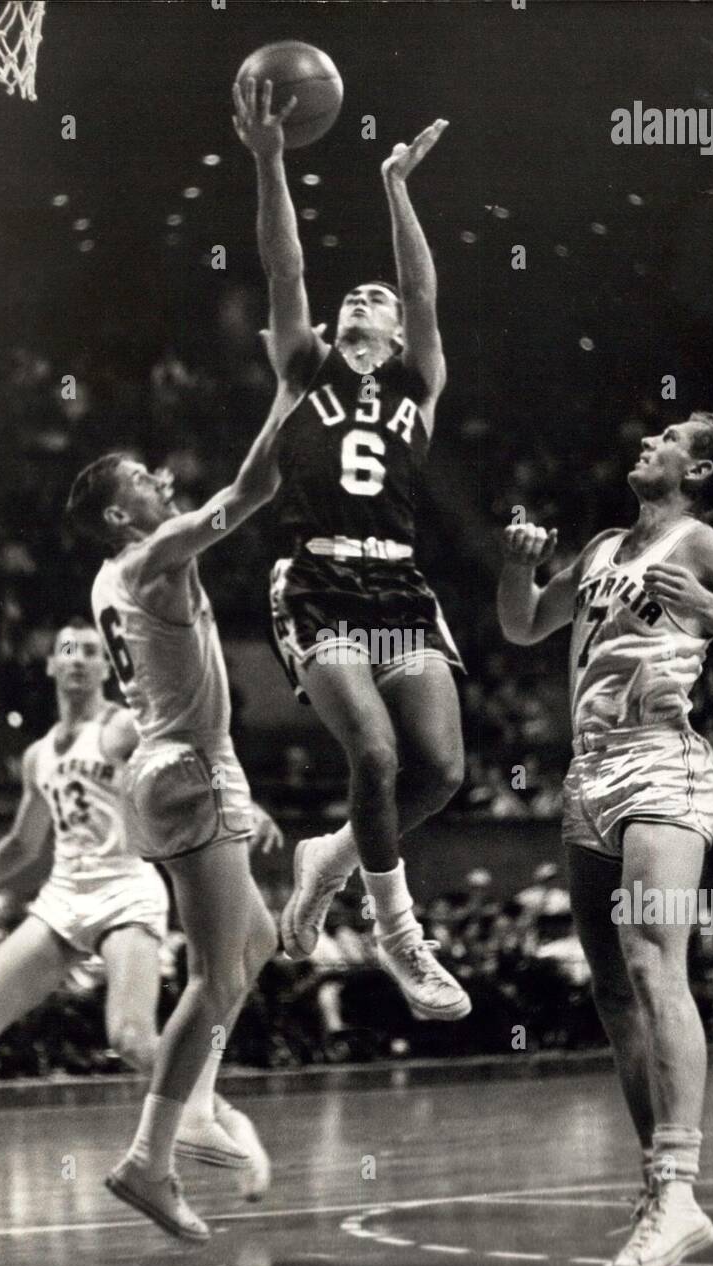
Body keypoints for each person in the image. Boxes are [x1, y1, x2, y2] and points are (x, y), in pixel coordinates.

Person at [497, 413, 713, 1266]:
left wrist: (708, 608)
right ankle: (658, 1190)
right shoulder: (602, 546)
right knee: (609, 987)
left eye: (670, 435)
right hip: (588, 776)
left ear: (697, 467)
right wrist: (517, 564)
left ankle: (678, 1188)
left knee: (649, 961)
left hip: (662, 771)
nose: (648, 437)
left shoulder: (703, 544)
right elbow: (523, 626)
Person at [0, 620, 277, 1217]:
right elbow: (22, 847)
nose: (77, 661)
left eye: (91, 653)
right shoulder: (37, 755)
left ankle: (221, 1117)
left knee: (128, 1037)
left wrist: (244, 804)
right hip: (63, 896)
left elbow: (188, 753)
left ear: (107, 669)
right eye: (67, 651)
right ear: (50, 666)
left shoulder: (122, 726)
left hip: (127, 890)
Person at [232, 77, 469, 1022]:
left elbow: (420, 284)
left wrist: (396, 185)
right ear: (338, 330)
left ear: (399, 329)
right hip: (320, 580)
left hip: (400, 585)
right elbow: (285, 271)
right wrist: (269, 159)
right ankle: (399, 937)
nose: (369, 296)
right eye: (354, 296)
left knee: (442, 772)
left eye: (381, 297)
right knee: (372, 755)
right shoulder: (306, 370)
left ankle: (328, 855)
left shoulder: (420, 378)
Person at [66, 396, 289, 1240]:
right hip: (190, 763)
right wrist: (288, 390)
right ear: (121, 513)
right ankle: (154, 1155)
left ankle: (191, 1107)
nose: (161, 479)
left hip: (181, 765)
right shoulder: (153, 555)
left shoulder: (106, 581)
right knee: (215, 975)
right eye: (142, 478)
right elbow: (252, 486)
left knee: (255, 943)